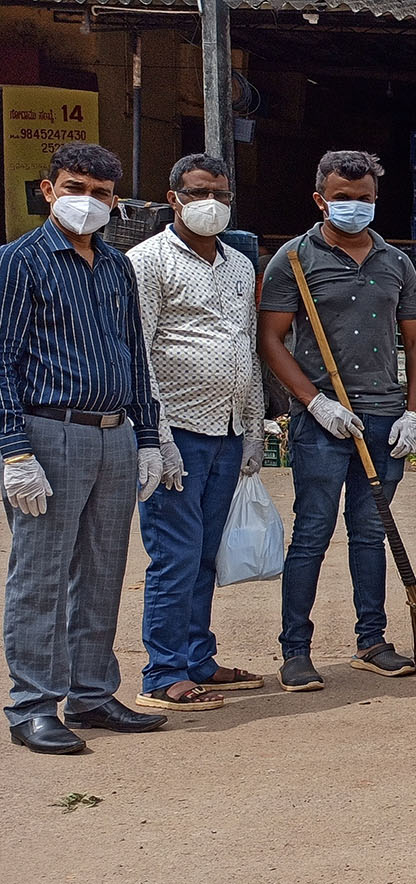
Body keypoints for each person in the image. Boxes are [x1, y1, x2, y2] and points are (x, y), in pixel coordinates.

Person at [0, 142, 170, 753]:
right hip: (50, 433)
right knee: (41, 573)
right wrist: (13, 449)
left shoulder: (117, 266)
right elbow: (3, 360)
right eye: (75, 188)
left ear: (115, 200)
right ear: (47, 190)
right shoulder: (20, 262)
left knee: (102, 570)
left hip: (114, 432)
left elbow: (134, 355)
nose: (87, 203)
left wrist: (148, 437)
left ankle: (92, 693)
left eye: (100, 194)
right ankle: (32, 706)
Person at [258, 149, 416, 691]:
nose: (353, 207)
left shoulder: (396, 262)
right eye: (342, 198)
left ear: (376, 202)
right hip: (323, 420)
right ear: (320, 199)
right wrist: (315, 403)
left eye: (364, 200)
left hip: (384, 418)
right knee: (312, 531)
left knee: (370, 531)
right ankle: (295, 650)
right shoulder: (292, 260)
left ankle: (372, 641)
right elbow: (271, 340)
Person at [127, 153, 268, 712]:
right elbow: (138, 353)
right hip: (176, 431)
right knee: (175, 556)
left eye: (221, 194)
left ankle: (197, 656)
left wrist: (255, 426)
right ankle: (163, 672)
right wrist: (153, 436)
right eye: (199, 192)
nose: (211, 203)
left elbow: (246, 348)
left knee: (207, 552)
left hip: (229, 429)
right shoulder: (147, 262)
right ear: (174, 198)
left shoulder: (238, 263)